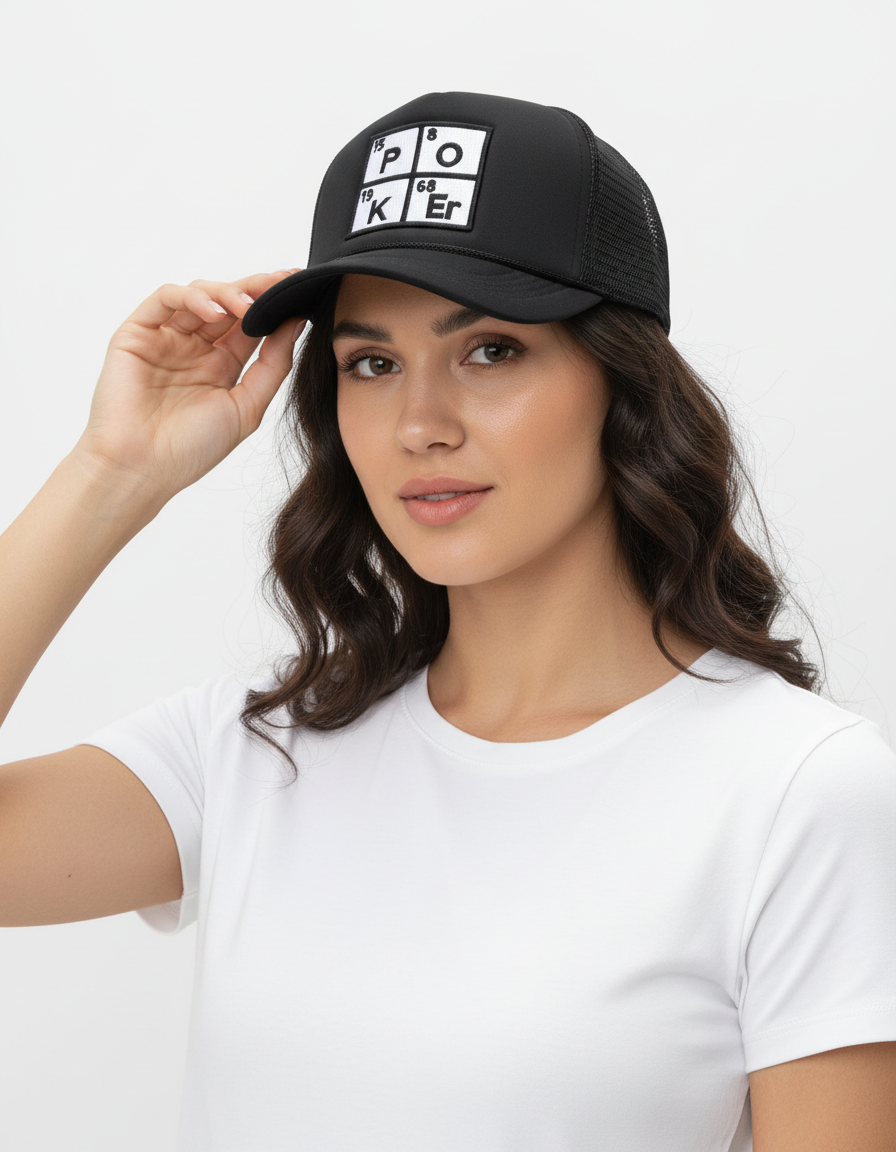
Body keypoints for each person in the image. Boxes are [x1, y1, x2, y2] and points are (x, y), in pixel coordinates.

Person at [1, 91, 894, 1151]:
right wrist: (113, 474)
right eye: (370, 365)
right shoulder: (250, 756)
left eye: (490, 352)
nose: (419, 424)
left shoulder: (797, 789)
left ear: (620, 382)